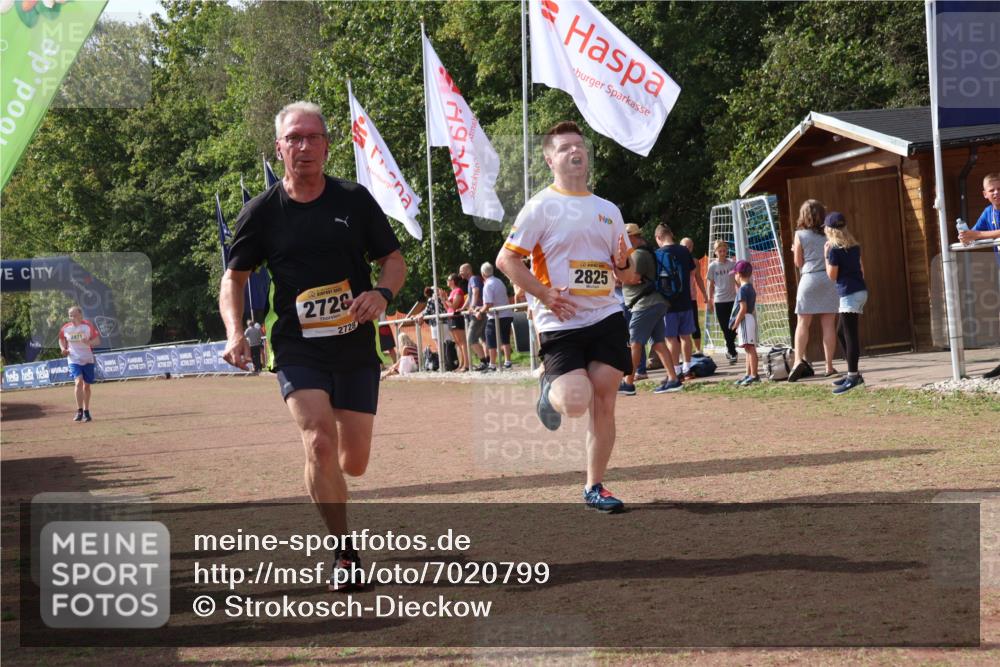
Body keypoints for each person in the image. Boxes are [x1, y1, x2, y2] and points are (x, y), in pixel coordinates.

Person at [220, 101, 406, 591]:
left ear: (327, 145)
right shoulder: (261, 213)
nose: (303, 147)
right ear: (279, 147)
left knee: (353, 462)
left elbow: (393, 260)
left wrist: (381, 293)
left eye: (312, 138)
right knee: (319, 442)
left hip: (354, 347)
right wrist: (235, 332)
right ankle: (344, 551)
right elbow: (233, 279)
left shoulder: (354, 200)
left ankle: (334, 482)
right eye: (293, 139)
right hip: (297, 347)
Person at [496, 120, 636, 513]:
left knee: (605, 398)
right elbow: (506, 259)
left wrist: (624, 265)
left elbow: (624, 272)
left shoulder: (608, 210)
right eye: (564, 148)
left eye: (580, 146)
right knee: (576, 401)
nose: (575, 152)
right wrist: (544, 294)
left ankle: (595, 486)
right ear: (549, 159)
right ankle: (549, 386)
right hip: (560, 320)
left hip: (606, 314)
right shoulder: (541, 206)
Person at [619, 223, 682, 395]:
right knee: (659, 343)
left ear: (632, 237)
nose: (623, 242)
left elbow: (633, 279)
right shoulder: (644, 252)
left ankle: (628, 382)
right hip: (654, 303)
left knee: (635, 343)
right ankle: (673, 379)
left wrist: (617, 272)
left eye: (625, 238)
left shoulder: (639, 255)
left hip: (645, 304)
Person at [788, 199, 840, 382]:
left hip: (808, 279)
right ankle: (829, 366)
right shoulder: (829, 233)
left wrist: (795, 250)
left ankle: (797, 361)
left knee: (802, 323)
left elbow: (798, 263)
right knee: (828, 324)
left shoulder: (799, 234)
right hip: (828, 279)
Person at [958, 172, 1000, 379]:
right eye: (992, 190)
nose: (996, 193)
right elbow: (974, 235)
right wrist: (965, 236)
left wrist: (977, 235)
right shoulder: (988, 213)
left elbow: (984, 234)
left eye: (999, 188)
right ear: (985, 194)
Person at [657, 224, 708, 381]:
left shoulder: (658, 254)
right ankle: (687, 368)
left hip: (668, 303)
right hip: (686, 299)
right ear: (671, 235)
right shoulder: (684, 251)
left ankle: (676, 370)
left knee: (671, 338)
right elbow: (692, 272)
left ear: (658, 238)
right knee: (686, 335)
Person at [824, 211, 867, 394]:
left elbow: (832, 276)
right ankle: (853, 371)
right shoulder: (854, 246)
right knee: (841, 332)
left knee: (850, 335)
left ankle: (853, 376)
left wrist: (826, 256)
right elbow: (862, 270)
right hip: (859, 290)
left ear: (829, 230)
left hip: (849, 294)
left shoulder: (834, 250)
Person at [58, 306, 100, 422]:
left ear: (80, 315)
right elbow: (61, 339)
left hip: (87, 358)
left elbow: (97, 341)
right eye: (70, 315)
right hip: (73, 359)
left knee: (86, 386)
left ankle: (87, 411)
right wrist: (63, 348)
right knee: (78, 382)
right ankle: (79, 411)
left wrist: (89, 342)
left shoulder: (88, 326)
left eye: (74, 315)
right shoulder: (66, 328)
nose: (72, 317)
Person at [705, 239, 738, 364]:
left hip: (732, 299)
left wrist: (741, 289)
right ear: (715, 252)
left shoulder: (731, 264)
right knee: (725, 328)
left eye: (724, 250)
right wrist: (709, 300)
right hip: (719, 300)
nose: (722, 253)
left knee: (733, 327)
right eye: (720, 251)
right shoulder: (712, 266)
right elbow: (710, 284)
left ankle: (730, 348)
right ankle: (732, 351)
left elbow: (736, 279)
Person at [728, 261, 759, 386]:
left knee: (750, 348)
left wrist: (736, 323)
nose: (734, 276)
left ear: (739, 274)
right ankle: (748, 373)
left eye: (735, 274)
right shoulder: (751, 287)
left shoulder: (742, 290)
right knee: (747, 348)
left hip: (745, 319)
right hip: (748, 318)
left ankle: (754, 375)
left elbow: (743, 308)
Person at [479, 262, 513, 371]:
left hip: (495, 316)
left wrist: (480, 312)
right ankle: (508, 362)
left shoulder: (487, 285)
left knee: (490, 339)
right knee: (505, 338)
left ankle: (492, 364)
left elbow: (488, 304)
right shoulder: (499, 281)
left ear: (483, 273)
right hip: (506, 313)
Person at [460, 262, 489, 371]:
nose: (460, 274)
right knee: (483, 338)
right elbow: (470, 296)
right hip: (478, 311)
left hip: (478, 312)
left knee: (471, 338)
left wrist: (472, 307)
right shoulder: (471, 281)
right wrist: (463, 307)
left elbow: (476, 292)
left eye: (461, 271)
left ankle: (484, 362)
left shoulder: (473, 279)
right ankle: (488, 361)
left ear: (468, 270)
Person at [680, 237, 703, 354]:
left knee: (694, 323)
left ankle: (698, 350)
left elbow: (698, 278)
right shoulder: (675, 258)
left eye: (690, 246)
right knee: (680, 326)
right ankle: (679, 354)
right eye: (685, 246)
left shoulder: (695, 261)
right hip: (679, 297)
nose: (687, 248)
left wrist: (705, 294)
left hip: (691, 297)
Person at [444, 273, 470, 372]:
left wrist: (446, 299)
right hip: (451, 317)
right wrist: (443, 299)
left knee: (462, 342)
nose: (447, 281)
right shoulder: (452, 292)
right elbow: (448, 308)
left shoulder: (458, 291)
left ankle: (466, 365)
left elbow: (454, 306)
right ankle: (461, 364)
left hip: (457, 318)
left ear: (453, 281)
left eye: (448, 279)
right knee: (458, 343)